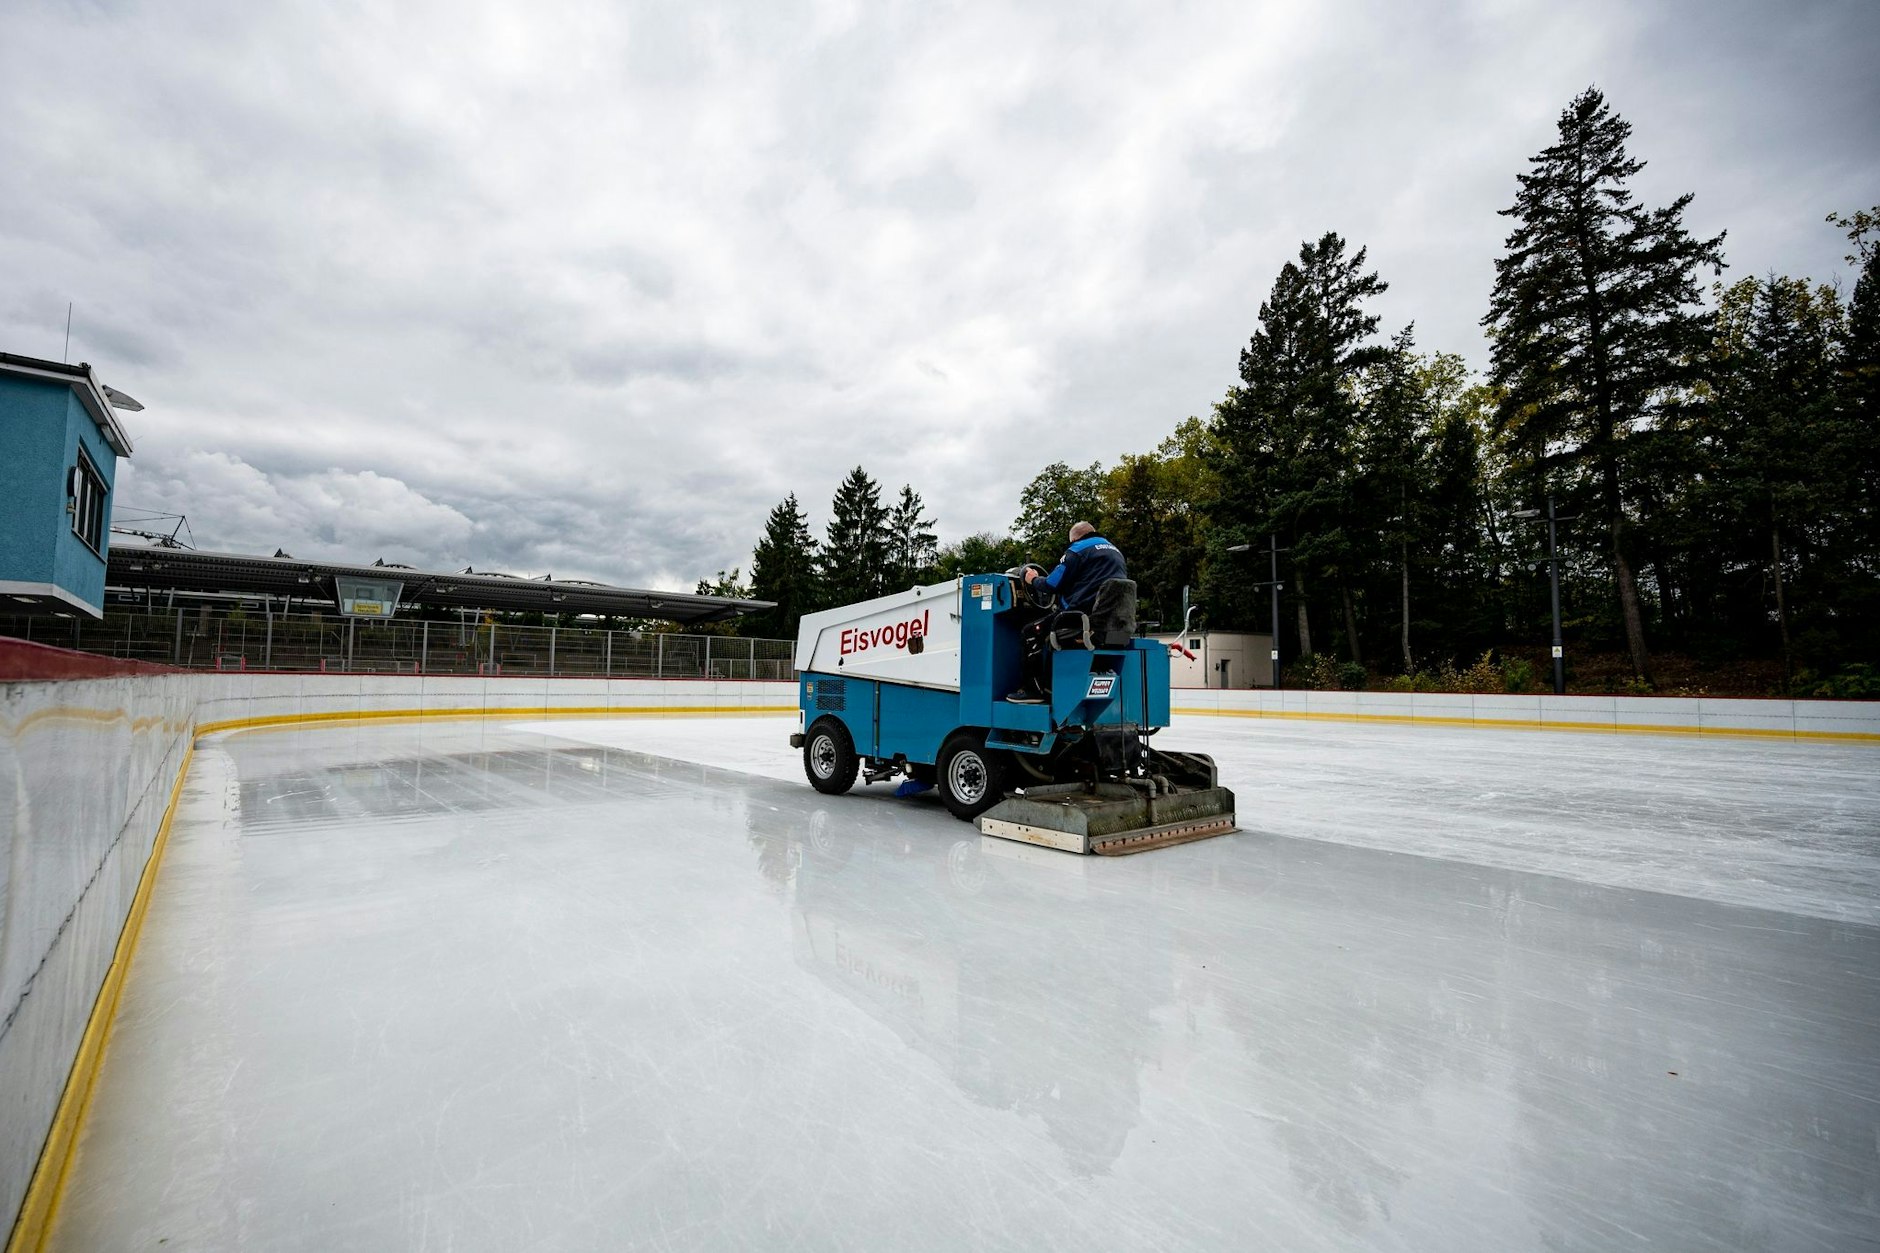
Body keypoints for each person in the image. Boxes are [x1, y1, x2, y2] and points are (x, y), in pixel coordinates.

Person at [1009, 522, 1126, 702]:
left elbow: (1051, 584)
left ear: (1074, 538)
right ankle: (1050, 688)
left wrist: (1032, 580)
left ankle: (1032, 691)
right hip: (1113, 622)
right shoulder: (1115, 551)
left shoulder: (1077, 550)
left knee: (1030, 632)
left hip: (1081, 618)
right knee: (1050, 632)